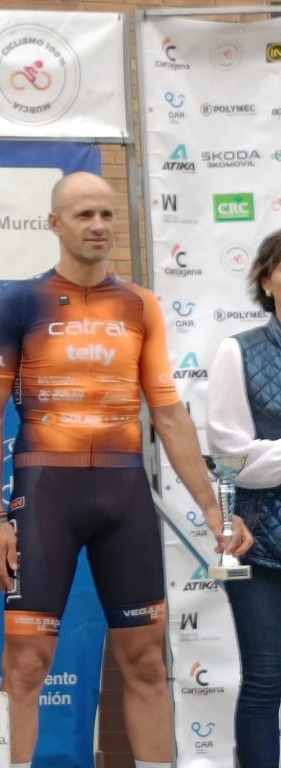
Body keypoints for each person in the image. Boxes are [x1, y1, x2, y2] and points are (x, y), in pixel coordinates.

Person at [0, 171, 253, 768]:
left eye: (106, 214)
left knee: (147, 663)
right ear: (55, 223)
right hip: (44, 493)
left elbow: (169, 414)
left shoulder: (140, 304)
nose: (98, 225)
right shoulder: (19, 300)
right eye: (84, 215)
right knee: (25, 665)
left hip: (123, 492)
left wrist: (214, 509)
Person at [207, 229, 281, 767]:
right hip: (257, 544)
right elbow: (232, 460)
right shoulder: (239, 351)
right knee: (264, 681)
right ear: (266, 281)